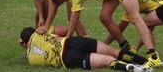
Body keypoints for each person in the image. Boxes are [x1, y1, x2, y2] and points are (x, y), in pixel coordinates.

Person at [33, 0, 163, 68]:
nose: (67, 0)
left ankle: (153, 56)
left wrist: (68, 37)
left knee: (134, 17)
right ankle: (126, 47)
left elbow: (75, 15)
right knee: (104, 17)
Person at [19, 26, 154, 72]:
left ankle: (128, 68)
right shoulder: (40, 31)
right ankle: (145, 62)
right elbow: (65, 29)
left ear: (24, 43)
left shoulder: (31, 59)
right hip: (73, 42)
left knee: (108, 61)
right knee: (115, 52)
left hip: (68, 59)